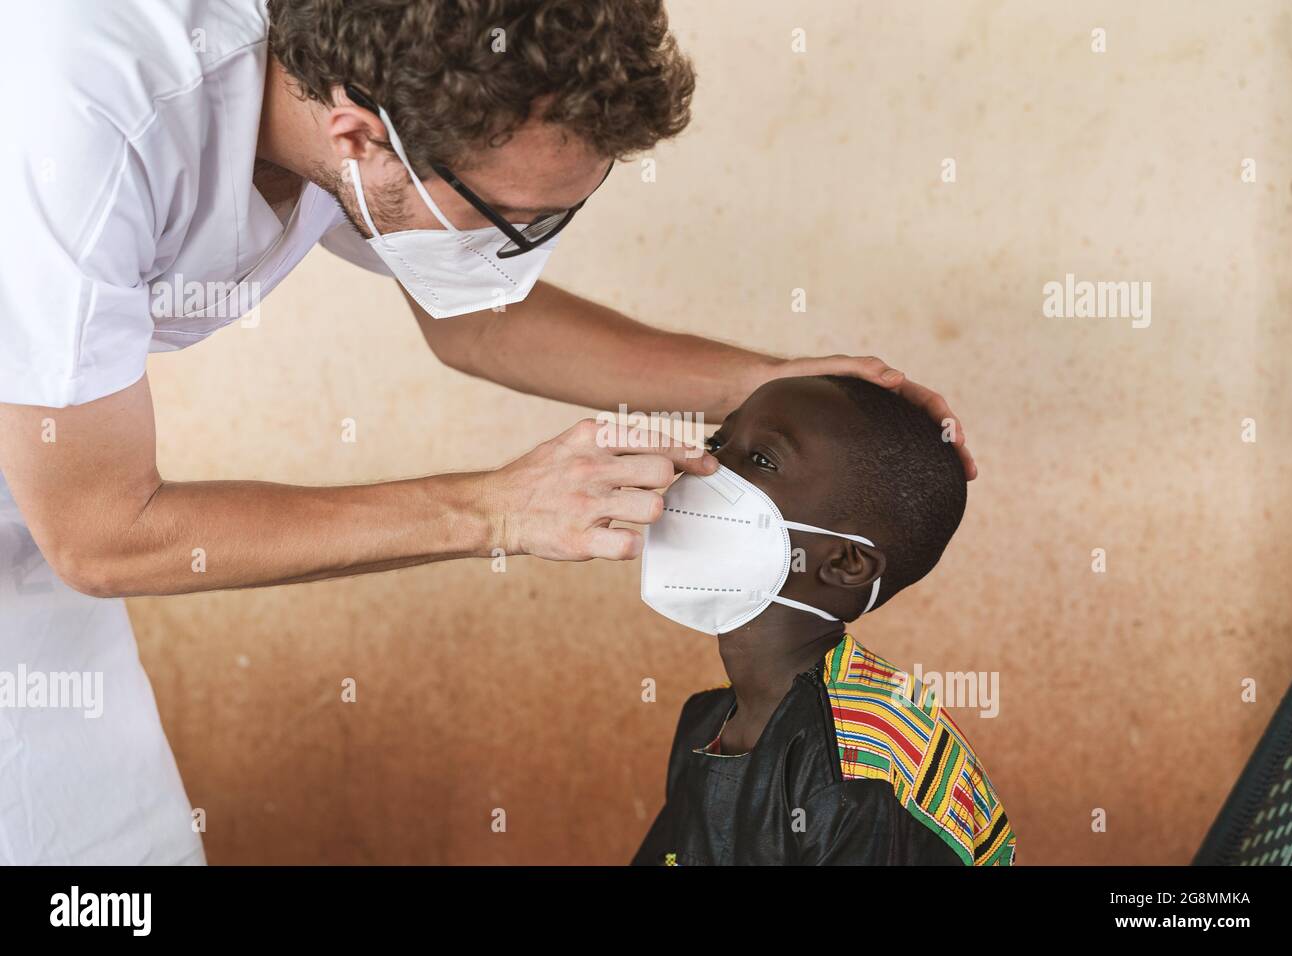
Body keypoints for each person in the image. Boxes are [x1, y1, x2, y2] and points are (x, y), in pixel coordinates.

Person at [0, 0, 975, 864]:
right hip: (72, 505)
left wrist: (766, 382)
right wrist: (491, 509)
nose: (528, 247)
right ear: (358, 136)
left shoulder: (343, 80)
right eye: (514, 223)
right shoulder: (84, 118)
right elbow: (102, 530)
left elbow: (476, 312)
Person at [635, 376, 1014, 865]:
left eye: (762, 460)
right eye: (717, 443)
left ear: (845, 564)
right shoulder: (706, 721)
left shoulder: (860, 761)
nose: (706, 469)